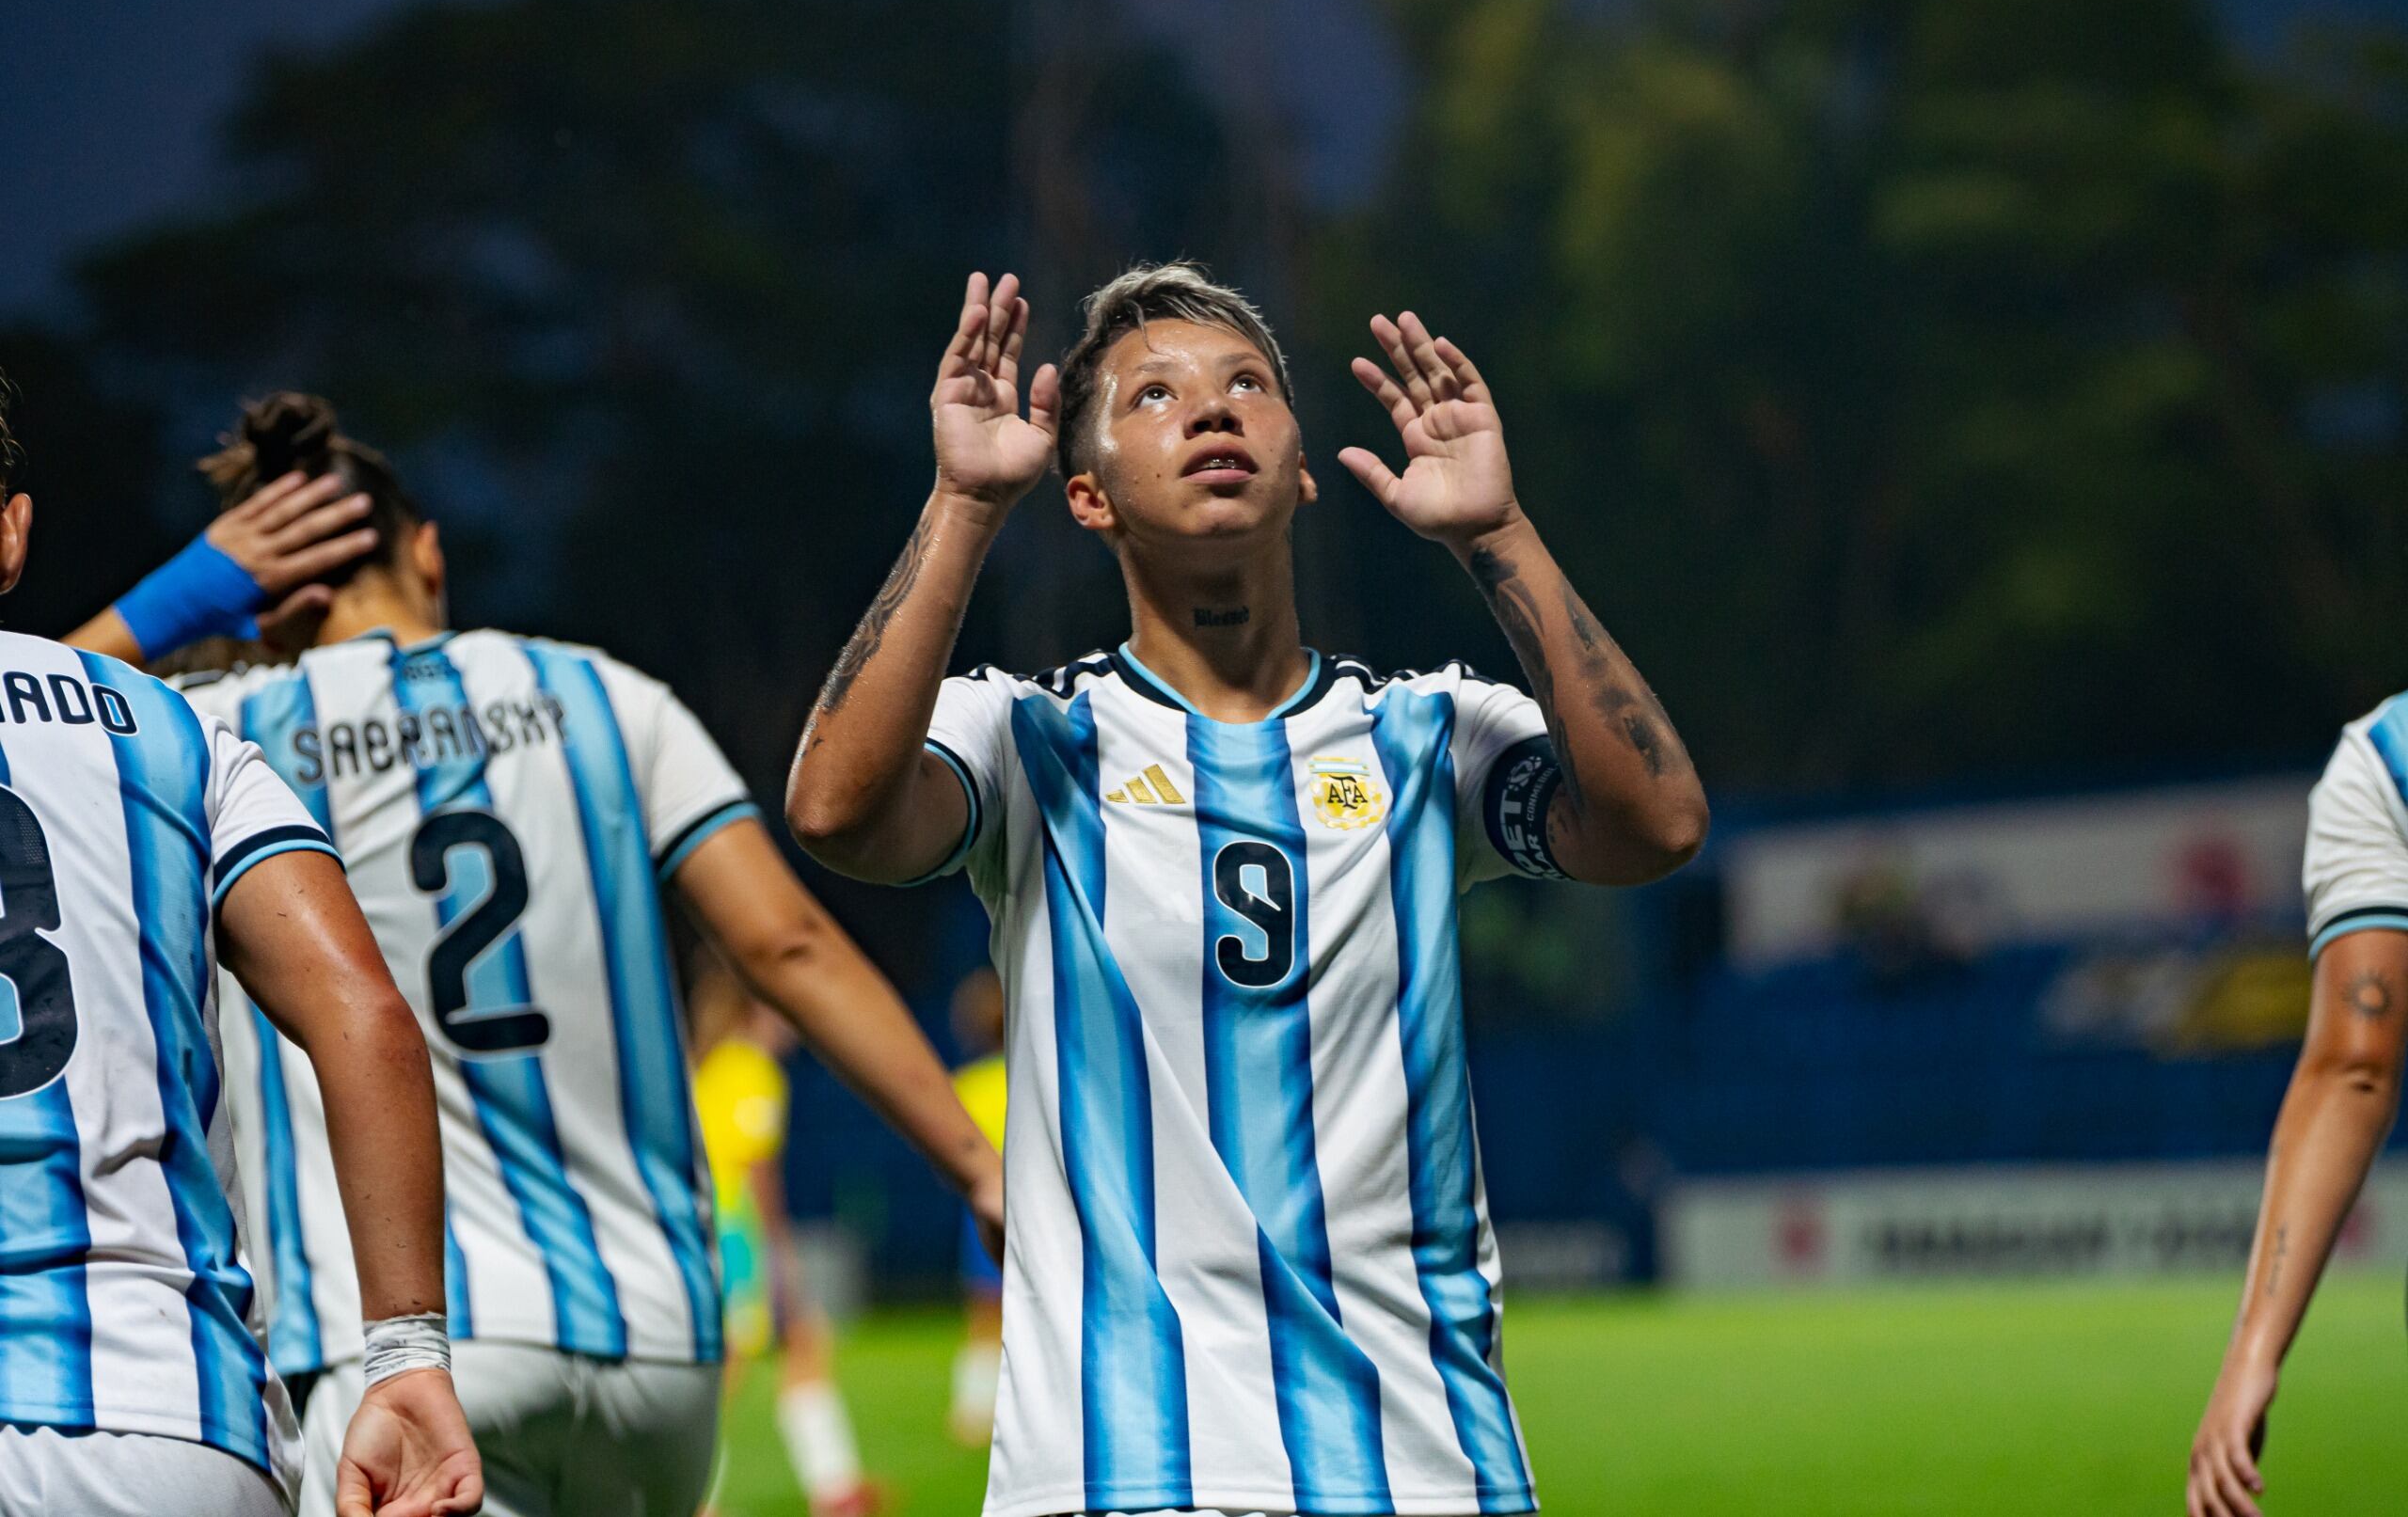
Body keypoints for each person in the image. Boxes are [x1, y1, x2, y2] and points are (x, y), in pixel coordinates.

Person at [787, 266, 1709, 1517]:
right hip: (1117, 1469)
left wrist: (1497, 533)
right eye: (1154, 395)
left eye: (1248, 387)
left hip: (1421, 1460)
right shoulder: (1029, 741)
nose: (1211, 411)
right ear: (1087, 492)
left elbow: (1655, 824)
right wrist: (960, 503)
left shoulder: (1431, 738)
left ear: (1306, 467)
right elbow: (836, 810)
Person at [70, 393, 1002, 1517]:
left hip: (402, 1341)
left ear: (257, 603)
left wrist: (173, 601)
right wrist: (977, 1164)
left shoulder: (213, 728)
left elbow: (27, 742)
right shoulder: (608, 696)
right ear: (426, 550)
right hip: (654, 1339)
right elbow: (786, 940)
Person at [0, 396, 480, 1515]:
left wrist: (166, 602)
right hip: (172, 1418)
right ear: (13, 536)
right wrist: (407, 1351)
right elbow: (365, 1014)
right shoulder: (175, 732)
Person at [2189, 699, 2408, 1517]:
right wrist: (2254, 1345)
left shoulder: (2385, 765)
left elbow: (2355, 1070)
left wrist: (2257, 1346)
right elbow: (2352, 1067)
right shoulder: (2385, 768)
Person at [688, 941, 879, 1517]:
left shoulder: (713, 1065)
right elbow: (756, 1173)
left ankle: (837, 1490)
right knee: (731, 1371)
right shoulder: (753, 1069)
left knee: (789, 1353)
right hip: (735, 1235)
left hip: (701, 1228)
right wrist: (782, 1259)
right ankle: (694, 1498)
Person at [945, 968, 1007, 1446]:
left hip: (981, 1208)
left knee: (983, 1315)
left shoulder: (964, 1083)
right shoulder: (1033, 1072)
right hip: (1034, 1203)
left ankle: (970, 1412)